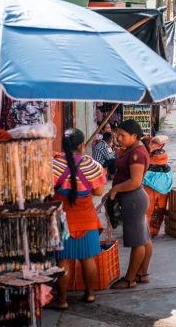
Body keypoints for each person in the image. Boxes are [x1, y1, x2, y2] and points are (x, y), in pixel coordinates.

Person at [49, 129, 106, 309]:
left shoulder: (53, 165)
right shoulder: (93, 165)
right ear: (82, 145)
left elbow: (47, 192)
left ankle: (63, 300)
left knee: (63, 261)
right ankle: (89, 294)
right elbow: (98, 191)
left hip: (61, 219)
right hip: (87, 218)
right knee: (88, 259)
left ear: (63, 145)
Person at [108, 120, 153, 289]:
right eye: (117, 134)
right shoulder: (133, 149)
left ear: (134, 136)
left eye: (122, 135)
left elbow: (134, 181)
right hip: (134, 198)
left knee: (137, 242)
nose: (119, 138)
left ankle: (129, 279)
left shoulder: (137, 154)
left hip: (133, 199)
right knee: (144, 238)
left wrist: (115, 189)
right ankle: (142, 274)